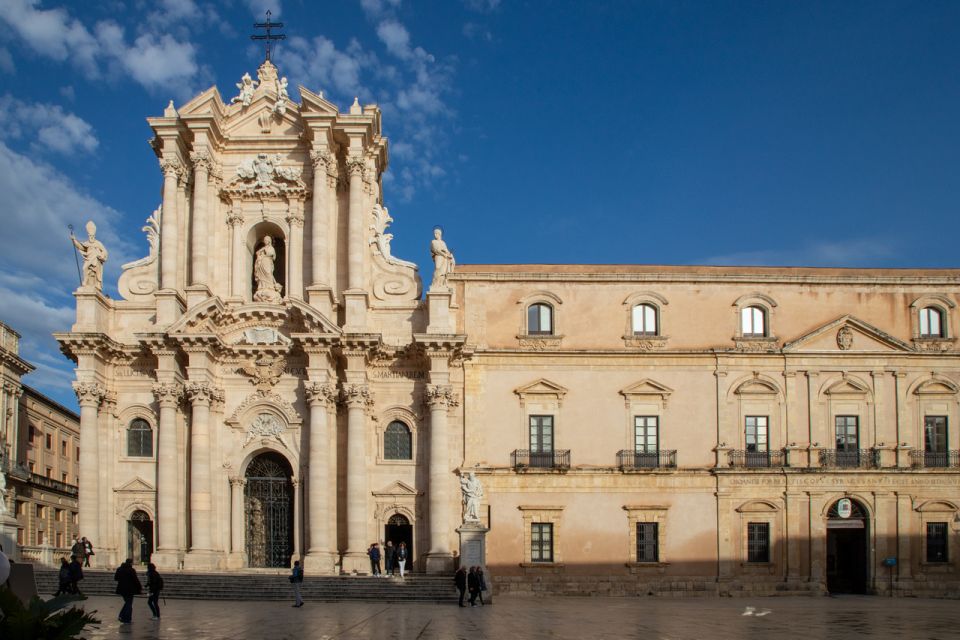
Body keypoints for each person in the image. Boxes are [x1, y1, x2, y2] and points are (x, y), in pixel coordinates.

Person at [114, 558, 142, 624]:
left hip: (121, 589)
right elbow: (135, 580)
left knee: (127, 603)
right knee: (129, 604)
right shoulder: (131, 570)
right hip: (130, 589)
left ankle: (121, 616)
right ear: (131, 563)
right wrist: (139, 587)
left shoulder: (119, 569)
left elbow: (116, 578)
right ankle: (126, 619)